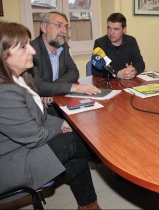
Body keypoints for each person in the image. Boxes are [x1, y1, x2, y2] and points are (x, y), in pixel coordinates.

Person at [0, 21, 101, 209]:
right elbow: (35, 137)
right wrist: (63, 132)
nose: (32, 50)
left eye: (29, 44)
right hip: (13, 162)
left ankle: (88, 205)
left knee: (75, 143)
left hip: (24, 147)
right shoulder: (4, 92)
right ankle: (111, 158)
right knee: (79, 140)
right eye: (23, 47)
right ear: (3, 55)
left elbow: (40, 117)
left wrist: (61, 125)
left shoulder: (19, 78)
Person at [30, 11, 100, 114]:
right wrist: (74, 87)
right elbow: (37, 86)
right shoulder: (31, 51)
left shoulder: (63, 46)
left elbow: (74, 72)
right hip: (39, 108)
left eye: (66, 27)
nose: (64, 31)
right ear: (44, 27)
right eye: (59, 25)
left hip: (57, 100)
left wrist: (50, 89)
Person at [91, 12, 145, 79]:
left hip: (127, 83)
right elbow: (95, 71)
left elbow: (140, 63)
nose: (111, 33)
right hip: (108, 84)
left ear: (124, 30)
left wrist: (134, 70)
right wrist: (116, 73)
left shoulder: (131, 41)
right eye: (109, 28)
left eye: (116, 29)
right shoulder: (100, 43)